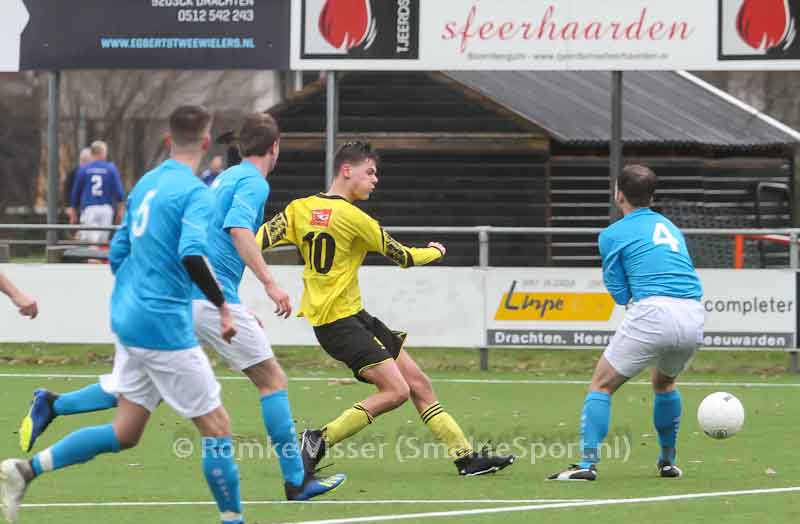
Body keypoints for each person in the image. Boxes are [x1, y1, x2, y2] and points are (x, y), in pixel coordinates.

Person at [17, 113, 345, 501]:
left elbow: (205, 243)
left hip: (181, 302)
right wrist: (268, 285)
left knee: (131, 406)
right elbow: (238, 231)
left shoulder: (225, 177)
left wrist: (232, 304)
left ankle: (53, 405)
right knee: (272, 381)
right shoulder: (254, 182)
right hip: (206, 302)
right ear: (275, 148)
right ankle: (295, 480)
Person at [1, 105, 253, 524]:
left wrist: (139, 291)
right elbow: (192, 254)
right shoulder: (196, 194)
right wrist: (223, 306)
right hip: (163, 327)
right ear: (207, 142)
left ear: (168, 140)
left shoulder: (145, 184)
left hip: (129, 318)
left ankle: (24, 470)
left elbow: (118, 252)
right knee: (217, 426)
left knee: (126, 431)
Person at [255, 141, 515, 477]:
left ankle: (465, 458)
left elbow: (255, 240)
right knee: (396, 391)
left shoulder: (298, 209)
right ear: (346, 170)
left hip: (355, 317)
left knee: (419, 383)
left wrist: (257, 275)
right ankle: (318, 439)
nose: (375, 180)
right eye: (370, 172)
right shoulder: (356, 219)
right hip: (339, 325)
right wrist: (435, 252)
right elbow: (404, 256)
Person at [547, 164, 704, 482]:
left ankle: (586, 464)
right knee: (664, 383)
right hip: (693, 312)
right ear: (652, 196)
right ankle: (668, 462)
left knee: (602, 385)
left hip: (654, 311)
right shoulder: (671, 227)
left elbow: (620, 293)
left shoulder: (612, 234)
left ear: (618, 194)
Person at [70, 140, 125, 244]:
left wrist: (73, 212)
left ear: (92, 153)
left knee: (91, 242)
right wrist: (120, 211)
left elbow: (75, 193)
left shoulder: (84, 169)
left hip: (89, 208)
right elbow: (119, 192)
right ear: (103, 152)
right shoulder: (110, 168)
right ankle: (99, 253)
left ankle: (92, 253)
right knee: (103, 242)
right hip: (106, 209)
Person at [64, 147, 92, 214]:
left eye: (87, 160)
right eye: (82, 160)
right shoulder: (73, 173)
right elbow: (67, 190)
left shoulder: (95, 173)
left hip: (90, 207)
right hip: (77, 208)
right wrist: (68, 206)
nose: (84, 162)